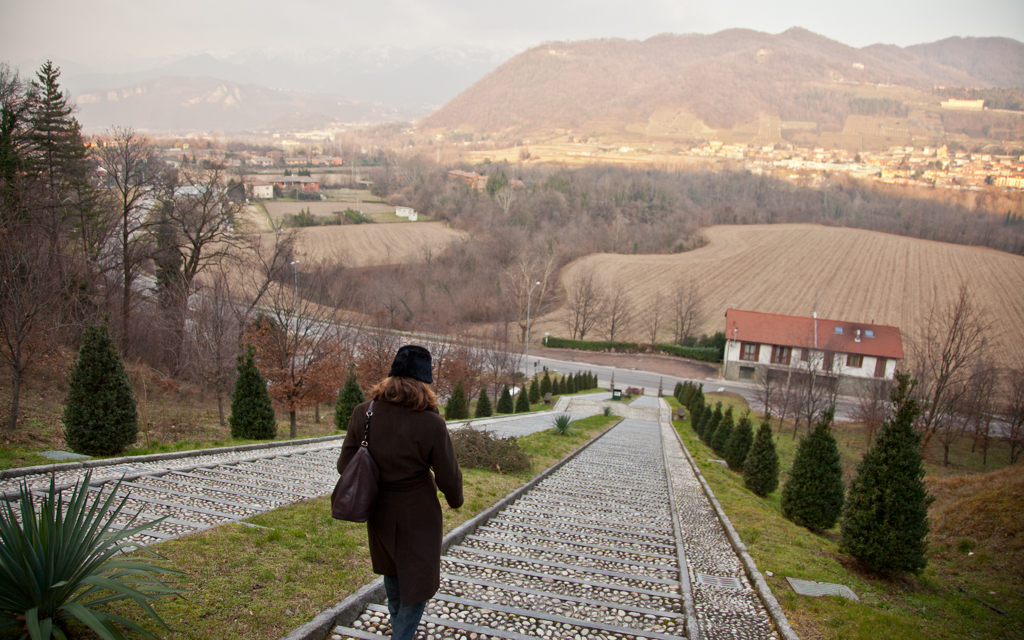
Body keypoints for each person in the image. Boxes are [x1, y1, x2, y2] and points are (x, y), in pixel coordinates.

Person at [337, 345, 463, 640]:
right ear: (424, 383)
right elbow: (448, 475)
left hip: (378, 509)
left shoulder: (362, 413)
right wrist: (455, 500)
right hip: (418, 513)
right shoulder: (431, 422)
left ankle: (399, 632)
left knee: (392, 574)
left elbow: (345, 464)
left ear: (390, 378)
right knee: (418, 585)